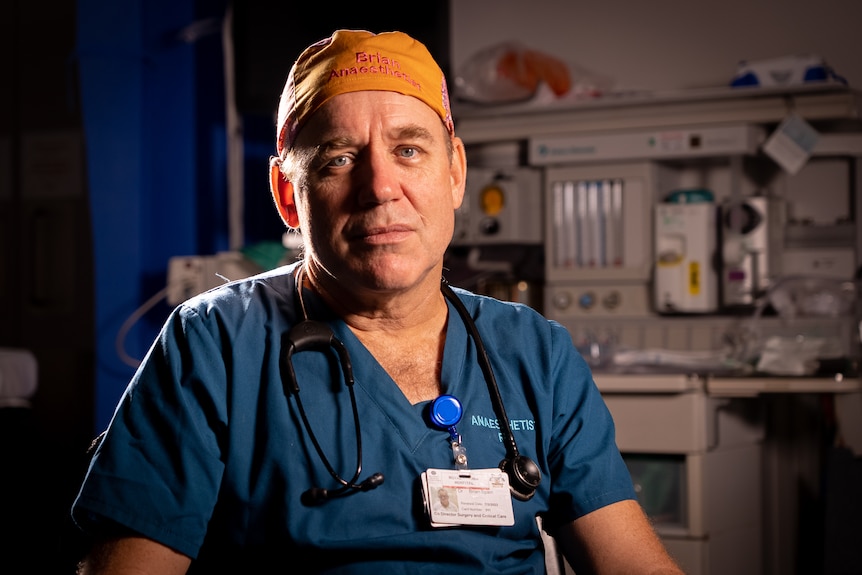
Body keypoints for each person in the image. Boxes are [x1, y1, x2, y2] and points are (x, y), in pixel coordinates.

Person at [71, 29, 685, 574]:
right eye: (340, 158)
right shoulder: (215, 344)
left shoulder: (534, 351)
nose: (380, 187)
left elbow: (628, 561)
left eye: (409, 150)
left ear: (455, 174)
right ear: (289, 195)